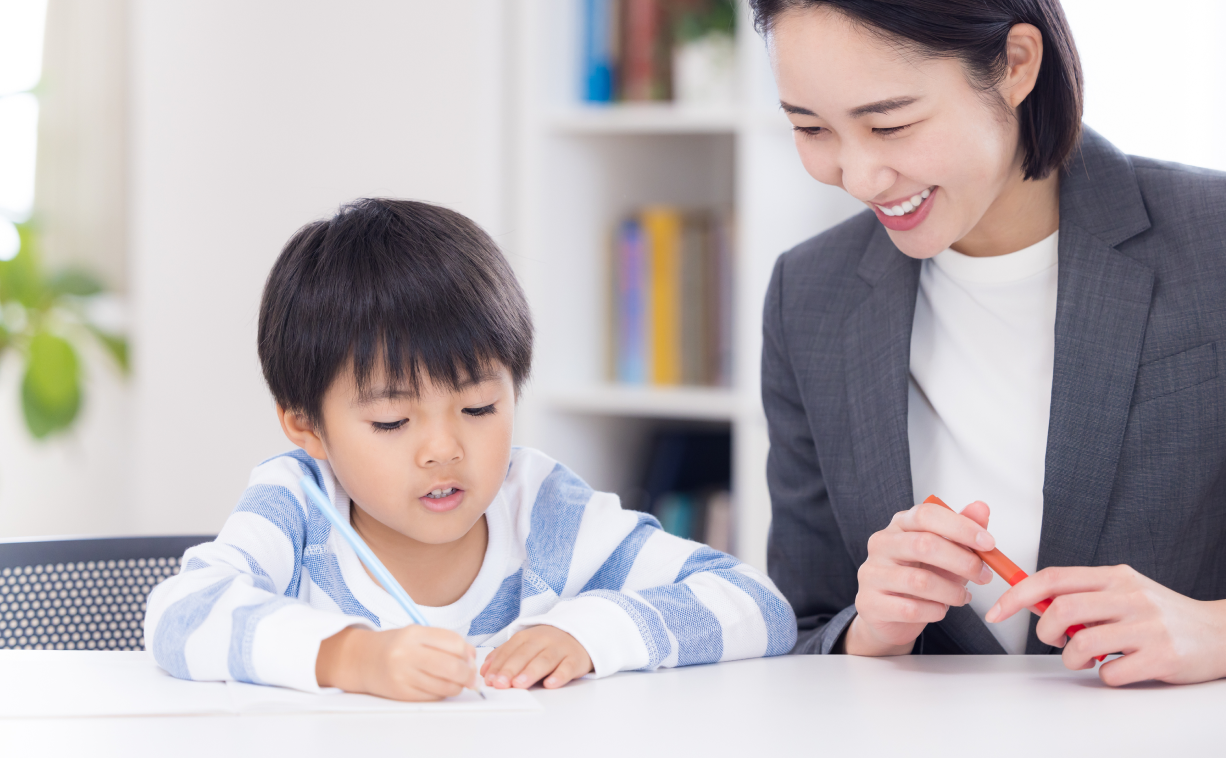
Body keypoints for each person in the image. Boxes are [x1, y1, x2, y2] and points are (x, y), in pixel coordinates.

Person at [750, 0, 1226, 686]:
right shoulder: (809, 296)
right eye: (811, 129)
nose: (860, 176)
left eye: (891, 123)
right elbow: (805, 627)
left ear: (1016, 63)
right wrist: (871, 630)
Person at [144, 198, 794, 700]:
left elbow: (756, 604)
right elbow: (180, 615)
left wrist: (589, 633)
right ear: (307, 427)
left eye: (479, 408)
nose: (443, 449)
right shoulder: (298, 506)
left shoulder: (542, 509)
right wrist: (350, 657)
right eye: (393, 421)